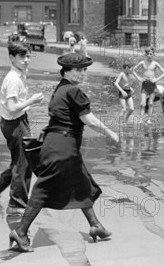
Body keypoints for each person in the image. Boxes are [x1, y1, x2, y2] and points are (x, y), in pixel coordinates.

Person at [8, 53, 119, 252]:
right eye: (79, 70)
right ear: (67, 71)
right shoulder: (73, 92)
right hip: (62, 147)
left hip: (59, 145)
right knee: (44, 188)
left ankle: (95, 225)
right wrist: (111, 133)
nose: (83, 73)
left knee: (80, 182)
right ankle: (21, 231)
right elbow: (90, 120)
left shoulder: (60, 89)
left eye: (85, 69)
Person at [0, 42, 44, 215]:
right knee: (23, 165)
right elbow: (11, 107)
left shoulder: (19, 74)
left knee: (21, 161)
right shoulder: (12, 79)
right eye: (22, 57)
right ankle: (17, 205)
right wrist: (32, 100)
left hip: (18, 121)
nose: (26, 60)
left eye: (28, 56)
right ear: (11, 58)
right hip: (15, 123)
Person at [132, 46, 164, 121]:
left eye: (151, 54)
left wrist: (156, 79)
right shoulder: (142, 62)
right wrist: (139, 78)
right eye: (148, 54)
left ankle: (149, 120)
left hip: (152, 86)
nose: (149, 55)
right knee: (142, 104)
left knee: (151, 103)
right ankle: (141, 120)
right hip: (145, 85)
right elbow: (133, 70)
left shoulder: (155, 63)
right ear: (146, 54)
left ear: (153, 55)